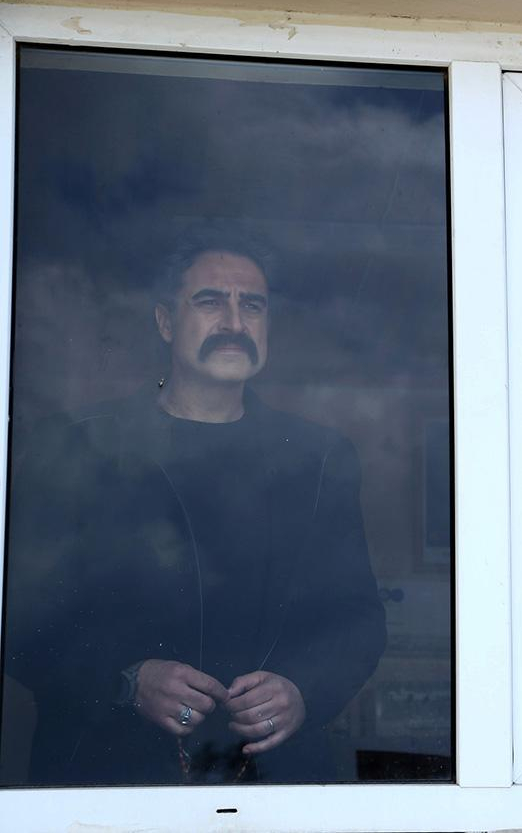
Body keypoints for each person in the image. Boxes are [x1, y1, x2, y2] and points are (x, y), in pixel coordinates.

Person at [4, 229, 386, 784]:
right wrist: (126, 682)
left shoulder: (320, 458)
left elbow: (357, 620)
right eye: (210, 301)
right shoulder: (78, 445)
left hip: (275, 783)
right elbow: (20, 620)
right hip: (105, 782)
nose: (234, 323)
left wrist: (305, 689)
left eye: (251, 305)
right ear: (165, 322)